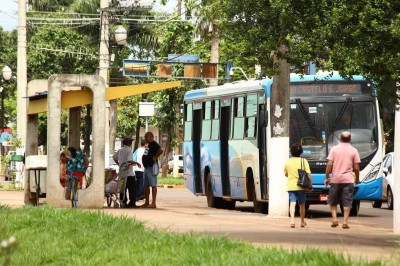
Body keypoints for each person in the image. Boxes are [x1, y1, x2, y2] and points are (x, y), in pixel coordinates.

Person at [324, 131, 360, 229]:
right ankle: (345, 222)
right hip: (348, 180)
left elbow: (330, 164)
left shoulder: (334, 149)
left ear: (340, 139)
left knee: (333, 200)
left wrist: (326, 177)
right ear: (350, 139)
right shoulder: (354, 150)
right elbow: (356, 167)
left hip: (335, 179)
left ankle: (335, 219)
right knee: (347, 200)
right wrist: (357, 178)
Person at [284, 143, 312, 228]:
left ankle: (292, 221)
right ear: (301, 152)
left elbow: (286, 174)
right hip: (301, 186)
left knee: (292, 203)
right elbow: (308, 174)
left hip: (291, 185)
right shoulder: (304, 161)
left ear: (291, 152)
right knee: (302, 204)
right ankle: (302, 221)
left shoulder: (287, 162)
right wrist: (310, 185)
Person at [113, 137, 141, 208]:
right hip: (129, 174)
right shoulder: (129, 151)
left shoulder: (120, 150)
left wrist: (119, 164)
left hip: (121, 173)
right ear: (130, 143)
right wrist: (137, 163)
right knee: (132, 189)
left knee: (123, 189)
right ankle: (132, 203)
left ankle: (123, 202)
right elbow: (129, 161)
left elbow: (114, 157)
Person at [141, 131, 163, 208]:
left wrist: (155, 157)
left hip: (151, 167)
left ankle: (153, 203)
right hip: (146, 167)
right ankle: (147, 202)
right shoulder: (149, 145)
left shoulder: (154, 144)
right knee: (146, 185)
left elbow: (161, 150)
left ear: (150, 137)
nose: (145, 139)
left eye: (146, 137)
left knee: (153, 185)